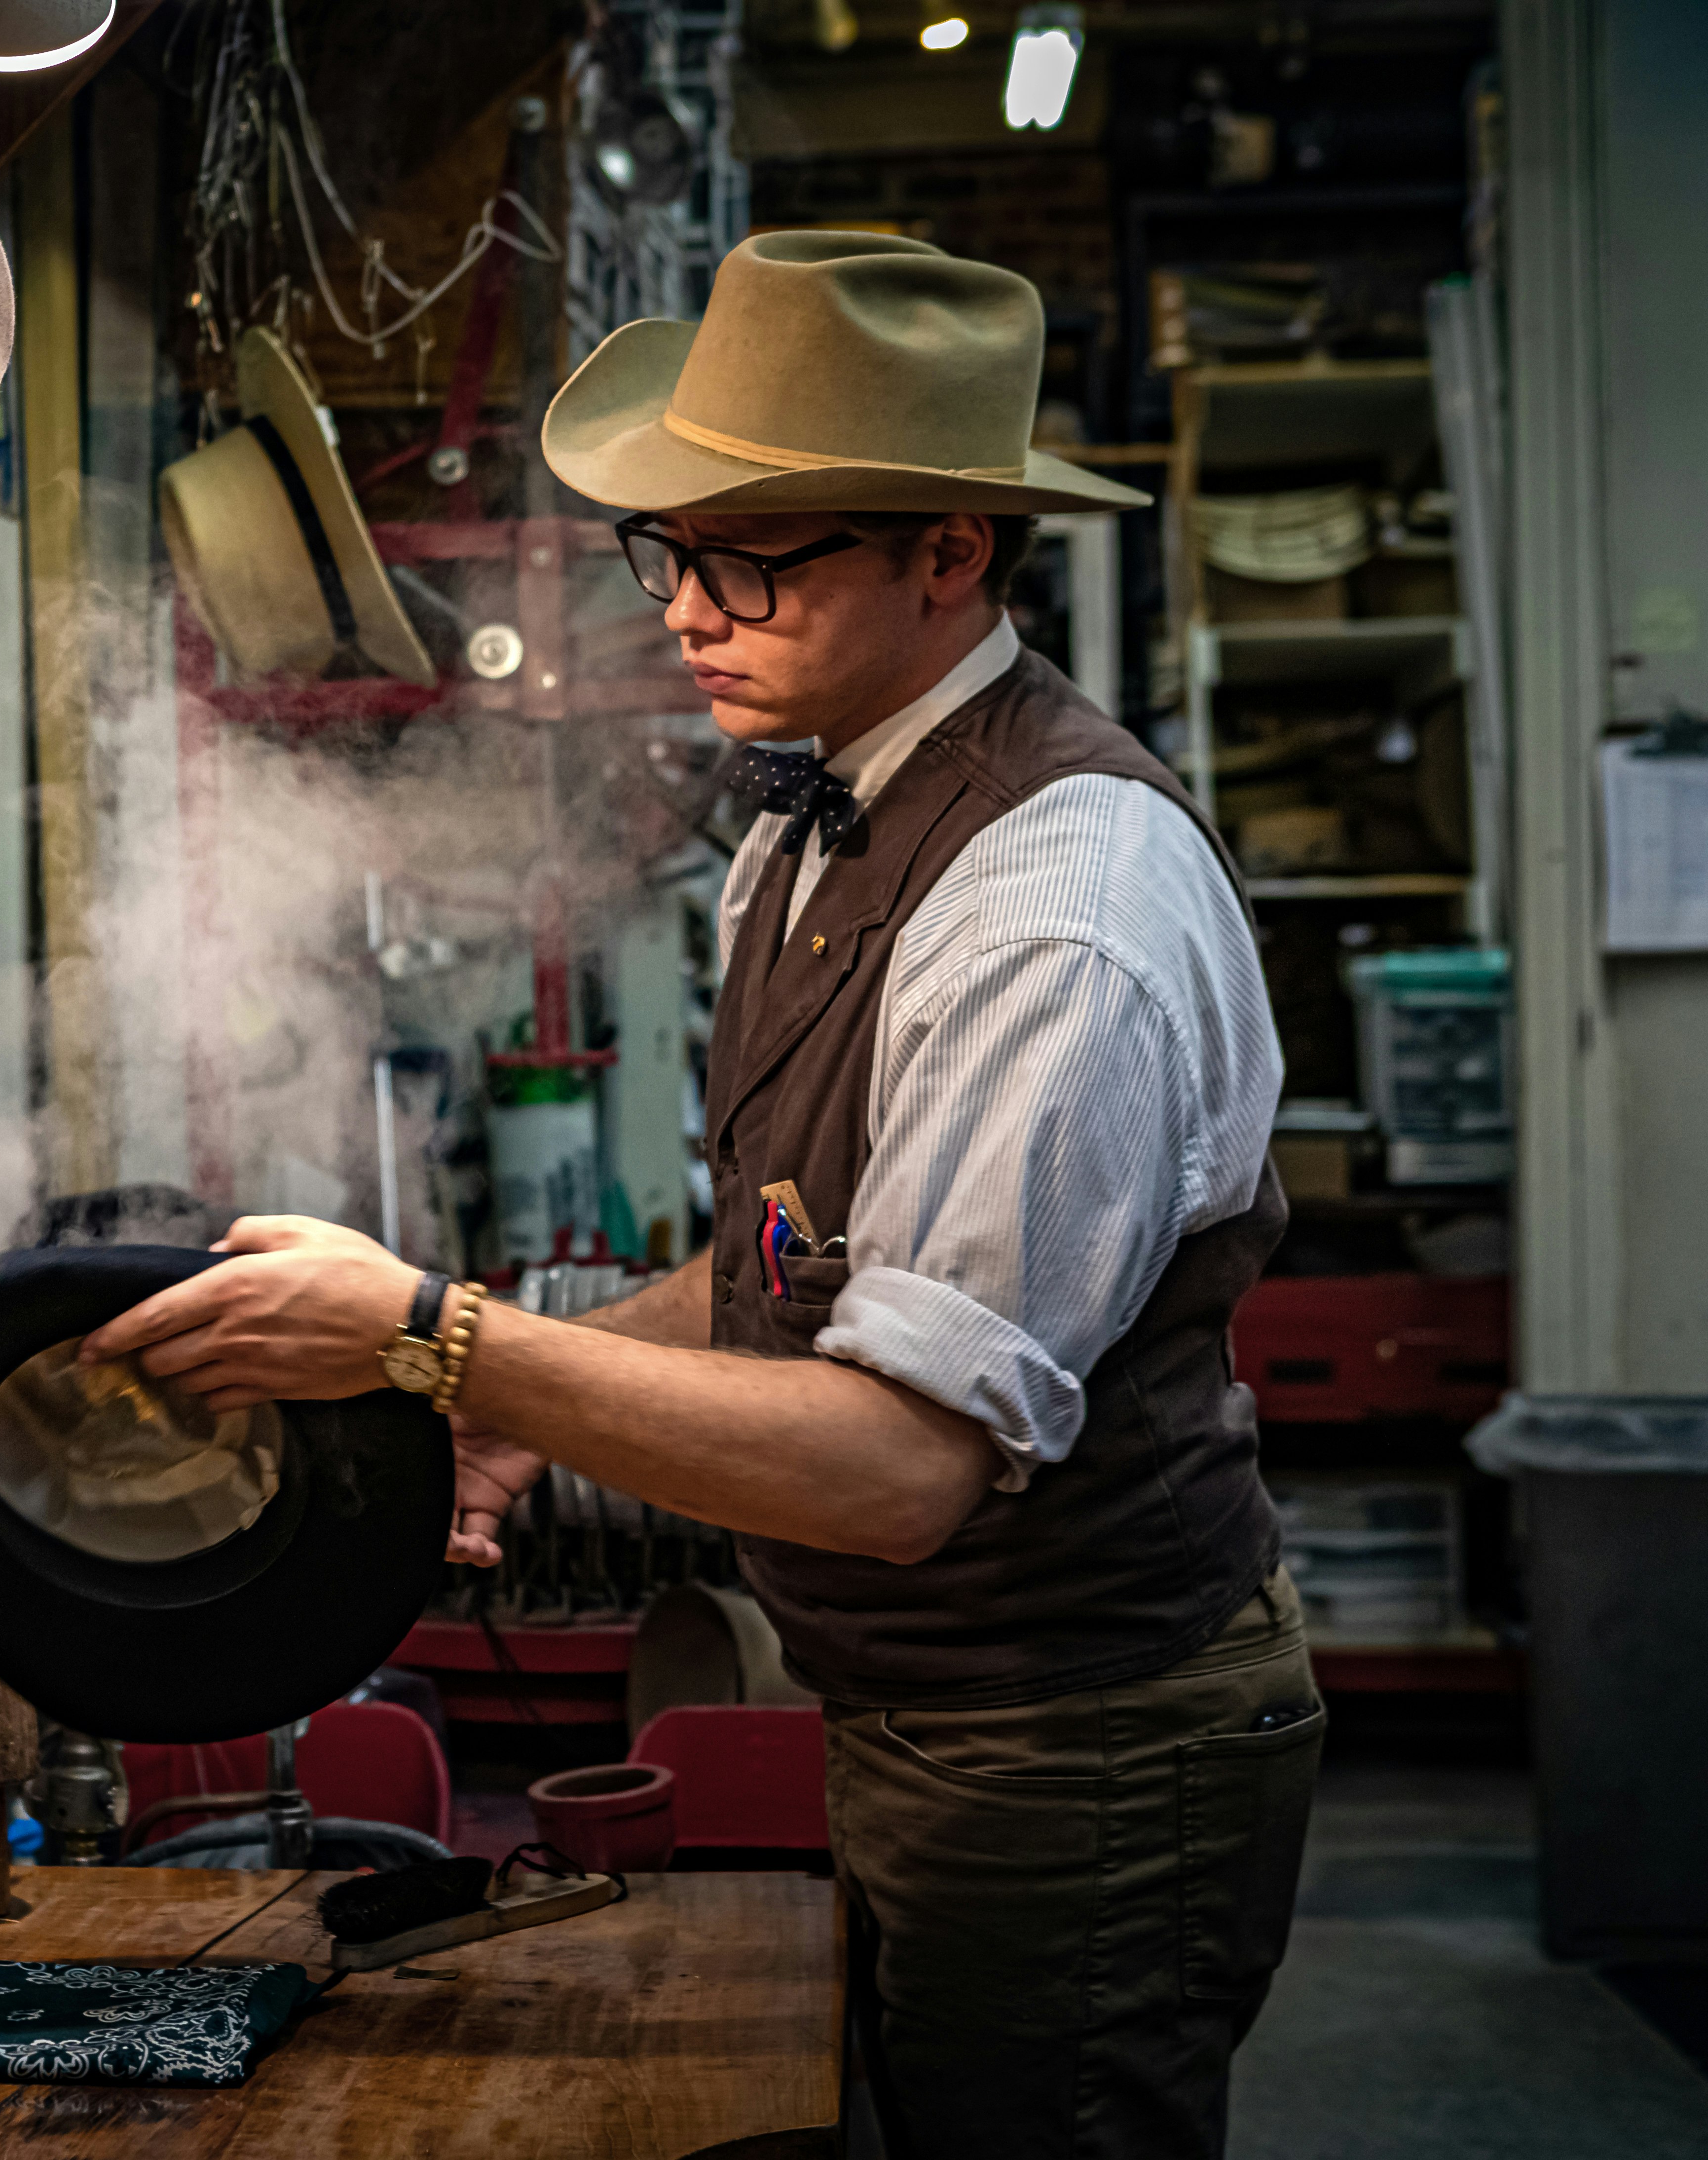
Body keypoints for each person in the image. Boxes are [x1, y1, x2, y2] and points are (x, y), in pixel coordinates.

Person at [80, 232, 1319, 2160]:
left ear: (949, 554)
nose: (687, 608)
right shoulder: (806, 829)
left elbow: (905, 1465)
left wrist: (434, 1343)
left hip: (1078, 1739)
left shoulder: (1052, 910)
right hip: (910, 1717)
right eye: (669, 548)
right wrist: (513, 1394)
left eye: (761, 555)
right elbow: (786, 1265)